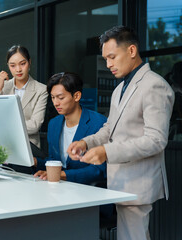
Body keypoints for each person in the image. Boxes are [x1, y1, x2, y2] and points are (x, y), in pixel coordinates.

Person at [67, 26, 175, 240]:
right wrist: (86, 143)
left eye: (112, 57)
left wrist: (106, 152)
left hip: (138, 183)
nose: (108, 65)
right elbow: (110, 129)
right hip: (121, 183)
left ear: (132, 51)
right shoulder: (119, 88)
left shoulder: (154, 86)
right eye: (106, 59)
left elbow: (156, 140)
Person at [33, 72, 107, 185]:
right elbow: (55, 162)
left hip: (89, 191)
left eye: (61, 98)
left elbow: (99, 170)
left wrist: (62, 175)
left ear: (76, 96)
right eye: (52, 98)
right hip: (60, 188)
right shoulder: (54, 124)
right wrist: (36, 162)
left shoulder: (99, 123)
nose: (55, 103)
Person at [0, 45, 48, 148]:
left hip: (29, 146)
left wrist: (6, 127)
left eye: (22, 64)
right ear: (8, 66)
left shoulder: (41, 89)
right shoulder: (1, 87)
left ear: (29, 62)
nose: (18, 69)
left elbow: (35, 125)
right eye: (12, 65)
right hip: (3, 146)